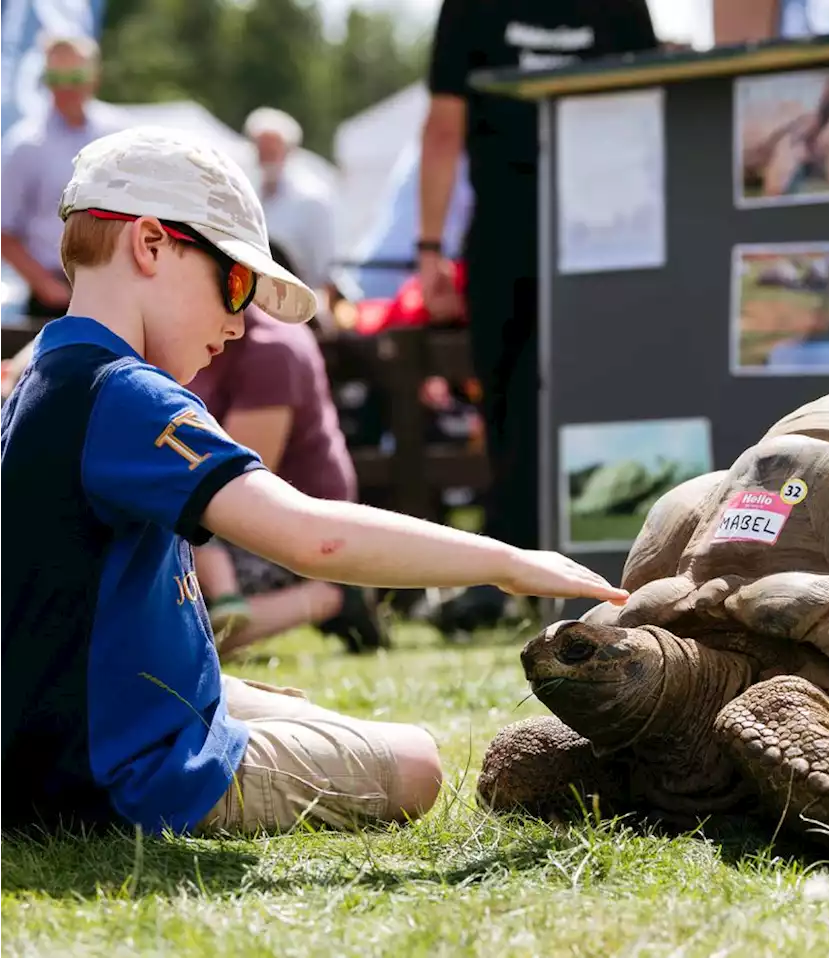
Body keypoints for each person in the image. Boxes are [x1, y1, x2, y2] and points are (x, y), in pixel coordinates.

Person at [0, 125, 627, 837]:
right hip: (123, 777)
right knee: (417, 760)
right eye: (234, 283)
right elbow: (312, 538)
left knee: (305, 712)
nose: (240, 324)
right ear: (150, 244)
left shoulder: (35, 376)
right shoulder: (126, 393)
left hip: (50, 749)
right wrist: (508, 561)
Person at [418, 0, 662, 633]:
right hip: (514, 230)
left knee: (598, 391)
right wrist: (427, 247)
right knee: (506, 402)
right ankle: (510, 571)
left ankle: (618, 564)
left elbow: (652, 107)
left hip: (611, 229)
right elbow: (443, 126)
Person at [186, 304, 389, 658]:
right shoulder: (191, 338)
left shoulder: (271, 350)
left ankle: (331, 598)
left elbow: (232, 483)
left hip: (290, 530)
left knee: (171, 608)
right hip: (219, 513)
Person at [0, 35, 123, 322]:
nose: (65, 87)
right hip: (53, 299)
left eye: (75, 76)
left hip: (114, 289)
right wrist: (46, 287)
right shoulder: (25, 144)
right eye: (55, 77)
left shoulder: (118, 134)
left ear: (94, 76)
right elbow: (4, 231)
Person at [242, 107, 337, 310]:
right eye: (261, 150)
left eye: (271, 151)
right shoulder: (248, 193)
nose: (265, 158)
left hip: (301, 304)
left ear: (288, 151)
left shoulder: (312, 200)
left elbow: (325, 270)